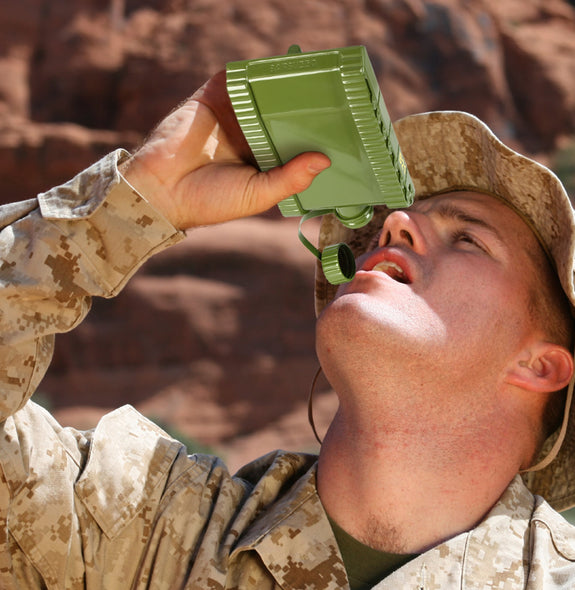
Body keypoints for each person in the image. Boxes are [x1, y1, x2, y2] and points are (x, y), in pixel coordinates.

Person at [1, 68, 575, 590]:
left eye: (468, 239)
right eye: (390, 222)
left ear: (540, 364)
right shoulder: (141, 528)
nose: (393, 223)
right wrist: (128, 206)